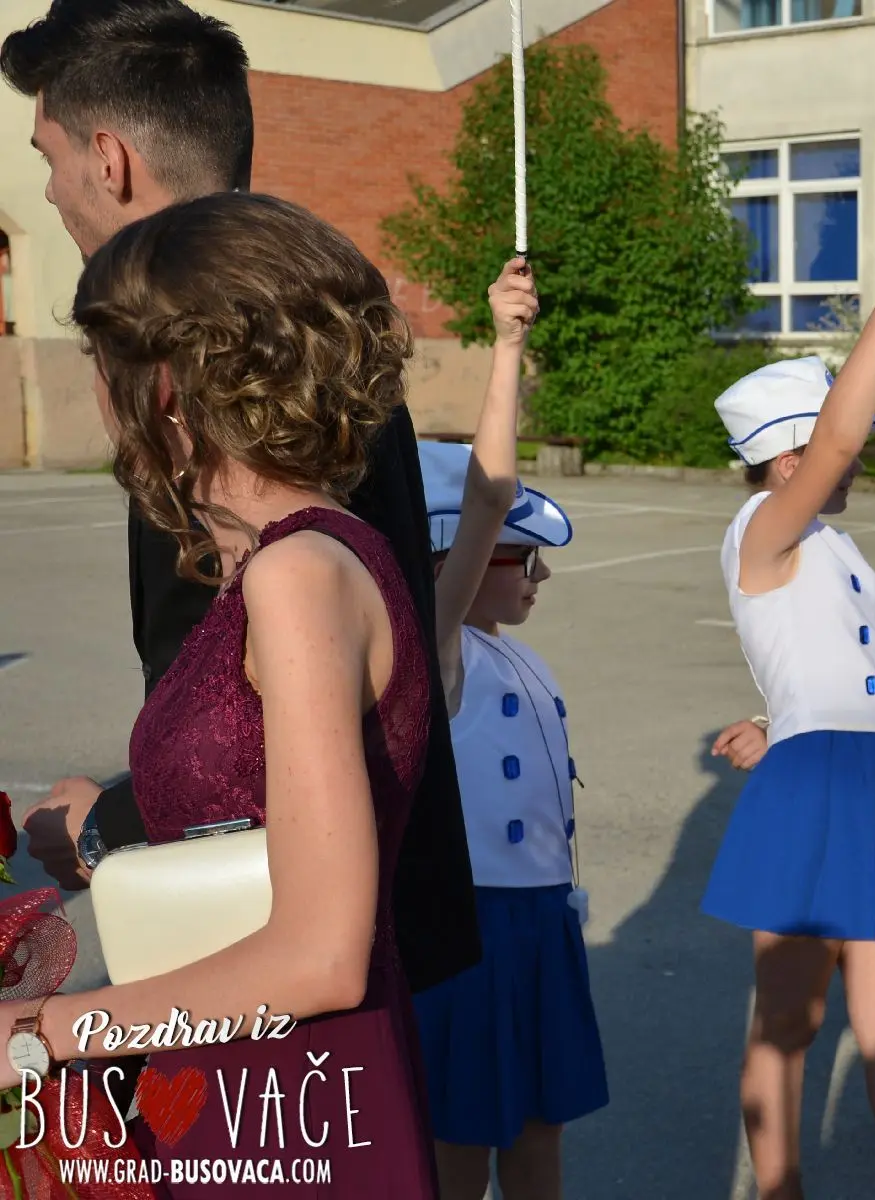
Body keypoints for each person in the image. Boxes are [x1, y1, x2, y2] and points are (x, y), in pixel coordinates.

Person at [2, 0, 480, 995]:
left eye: (48, 156)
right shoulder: (291, 326)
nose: (47, 189)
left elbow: (254, 748)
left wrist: (105, 830)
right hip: (343, 951)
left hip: (286, 985)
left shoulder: (218, 398)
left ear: (107, 158)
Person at [0, 191, 442, 1194]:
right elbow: (266, 805)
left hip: (289, 1100)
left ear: (164, 386)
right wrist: (113, 826)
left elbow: (321, 954)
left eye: (101, 364)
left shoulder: (297, 575)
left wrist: (35, 1033)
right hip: (250, 1081)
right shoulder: (304, 554)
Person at [701, 214, 875, 1200]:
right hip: (818, 788)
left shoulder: (831, 547)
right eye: (835, 452)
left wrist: (776, 716)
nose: (856, 458)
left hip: (874, 780)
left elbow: (829, 664)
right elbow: (842, 432)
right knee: (788, 1025)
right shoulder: (763, 528)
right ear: (788, 458)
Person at [409, 262, 609, 1200]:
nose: (539, 576)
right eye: (520, 559)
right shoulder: (436, 650)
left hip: (540, 925)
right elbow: (490, 494)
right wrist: (507, 345)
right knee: (460, 1149)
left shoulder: (519, 658)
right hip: (472, 931)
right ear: (455, 556)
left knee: (539, 1132)